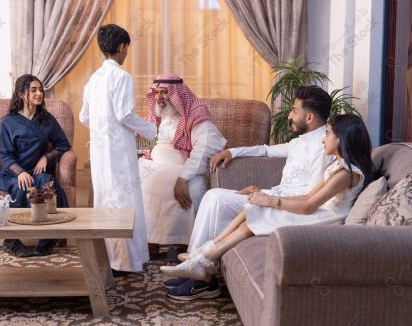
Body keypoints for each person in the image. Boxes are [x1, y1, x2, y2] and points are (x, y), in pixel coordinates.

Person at [161, 113, 380, 300]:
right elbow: (307, 196)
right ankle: (203, 255)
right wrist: (267, 197)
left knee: (258, 213)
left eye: (327, 133)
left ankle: (203, 259)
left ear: (341, 140)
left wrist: (273, 202)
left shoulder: (346, 173)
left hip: (326, 221)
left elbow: (309, 206)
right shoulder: (337, 166)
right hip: (318, 213)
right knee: (251, 209)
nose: (323, 139)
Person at [163, 85, 334, 299]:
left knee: (217, 200)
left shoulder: (323, 147)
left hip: (285, 205)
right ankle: (196, 269)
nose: (290, 115)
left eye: (294, 111)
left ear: (309, 117)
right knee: (214, 196)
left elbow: (311, 195)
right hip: (273, 195)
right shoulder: (300, 142)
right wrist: (231, 152)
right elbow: (265, 150)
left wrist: (269, 197)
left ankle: (202, 279)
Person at [79, 24, 157, 273]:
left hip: (100, 149)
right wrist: (151, 130)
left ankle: (109, 259)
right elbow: (124, 113)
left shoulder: (93, 79)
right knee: (125, 202)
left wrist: (102, 127)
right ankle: (128, 261)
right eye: (127, 49)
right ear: (121, 47)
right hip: (119, 149)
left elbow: (84, 116)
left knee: (105, 199)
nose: (126, 54)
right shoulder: (122, 77)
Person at [139, 73, 226, 265]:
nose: (160, 98)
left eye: (165, 92)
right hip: (153, 165)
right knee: (133, 180)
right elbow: (142, 142)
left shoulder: (195, 113)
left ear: (178, 94)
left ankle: (178, 243)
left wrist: (183, 177)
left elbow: (206, 146)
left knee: (194, 188)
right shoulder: (157, 116)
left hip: (181, 168)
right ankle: (150, 238)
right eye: (156, 92)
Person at [0, 74, 71, 257]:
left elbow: (63, 145)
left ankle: (47, 239)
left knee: (48, 184)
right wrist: (20, 172)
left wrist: (46, 157)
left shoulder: (47, 119)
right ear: (22, 94)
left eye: (40, 89)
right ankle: (12, 240)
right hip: (14, 173)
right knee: (24, 186)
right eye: (33, 90)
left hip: (37, 172)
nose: (39, 93)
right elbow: (5, 155)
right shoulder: (8, 122)